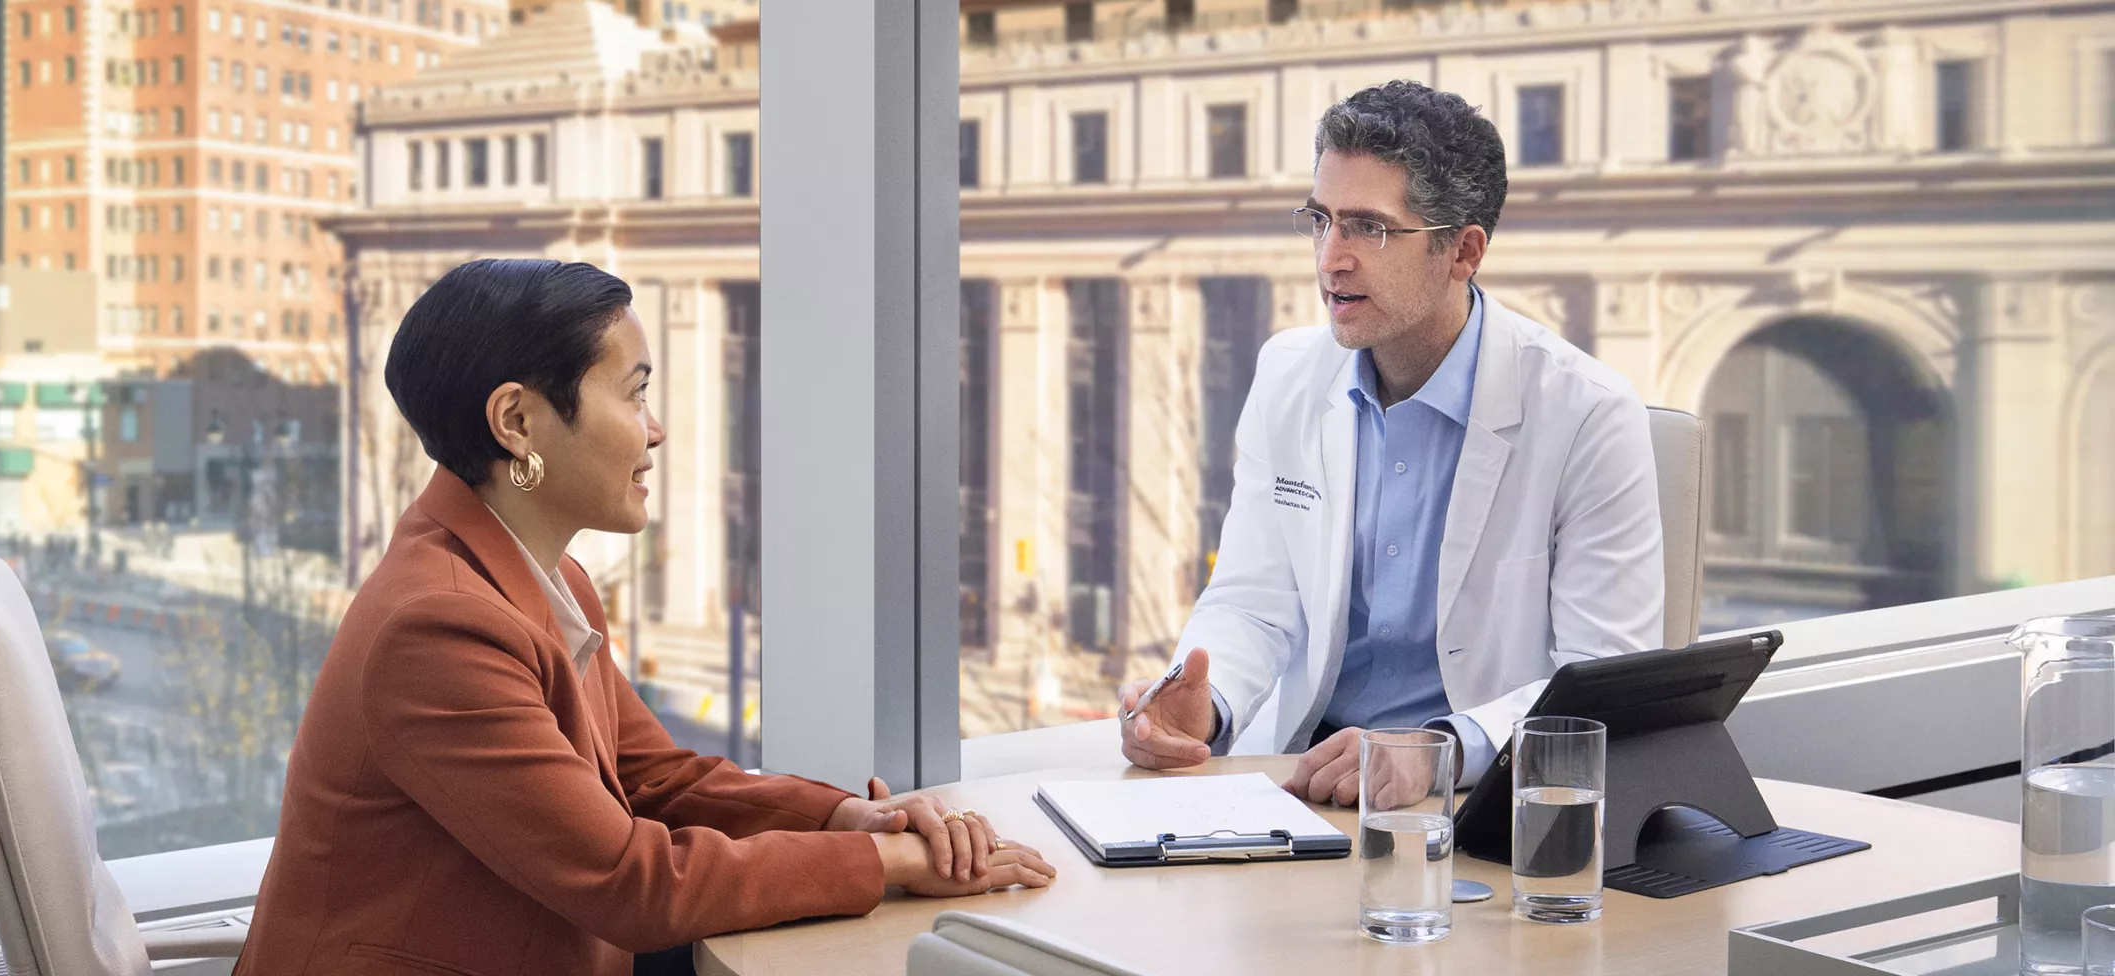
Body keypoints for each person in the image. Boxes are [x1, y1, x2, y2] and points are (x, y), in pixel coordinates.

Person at [236, 259, 1053, 976]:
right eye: (635, 395)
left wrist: (845, 815)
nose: (656, 431)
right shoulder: (438, 630)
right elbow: (632, 881)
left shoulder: (549, 581)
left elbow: (651, 780)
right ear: (517, 423)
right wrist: (890, 860)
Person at [1119, 81, 1664, 806]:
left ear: (1463, 251)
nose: (1330, 259)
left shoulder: (1586, 413)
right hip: (1310, 787)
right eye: (1320, 220)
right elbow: (1255, 601)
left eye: (1368, 229)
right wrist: (1207, 701)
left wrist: (1437, 750)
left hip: (1482, 802)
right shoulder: (1287, 374)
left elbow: (1603, 684)